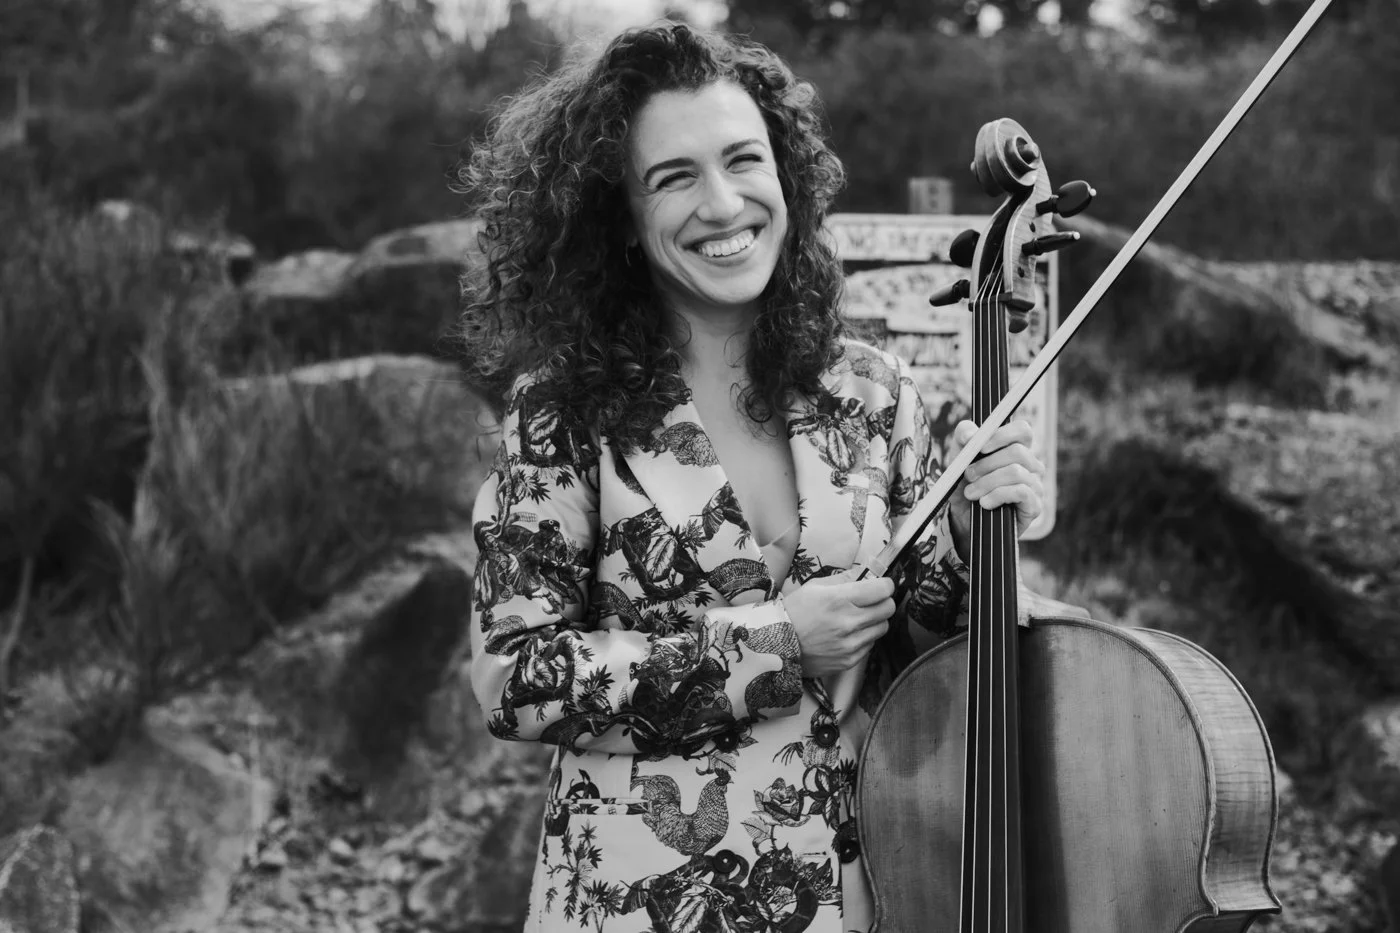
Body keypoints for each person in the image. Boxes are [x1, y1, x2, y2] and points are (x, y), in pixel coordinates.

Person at [457, 20, 1045, 933]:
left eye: (744, 160)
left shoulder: (870, 392)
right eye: (674, 176)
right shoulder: (562, 412)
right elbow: (516, 675)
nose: (724, 203)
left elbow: (925, 644)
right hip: (636, 902)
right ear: (620, 215)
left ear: (786, 176)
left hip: (865, 890)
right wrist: (774, 643)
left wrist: (976, 537)